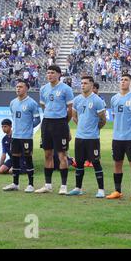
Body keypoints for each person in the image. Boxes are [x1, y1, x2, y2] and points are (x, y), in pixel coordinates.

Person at [35, 65, 74, 195]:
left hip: (60, 123)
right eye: (48, 73)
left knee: (62, 155)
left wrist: (64, 123)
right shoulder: (43, 89)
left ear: (58, 74)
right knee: (47, 154)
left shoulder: (66, 89)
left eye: (52, 73)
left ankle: (63, 186)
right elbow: (43, 104)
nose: (49, 75)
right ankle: (48, 185)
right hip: (46, 123)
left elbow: (70, 110)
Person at [106, 73, 131, 201]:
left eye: (126, 80)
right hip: (117, 137)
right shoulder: (114, 98)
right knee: (117, 163)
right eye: (121, 79)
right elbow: (115, 116)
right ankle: (117, 191)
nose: (123, 82)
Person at [68, 76, 107, 198]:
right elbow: (74, 116)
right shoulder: (77, 99)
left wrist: (95, 129)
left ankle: (101, 190)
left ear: (91, 85)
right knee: (79, 163)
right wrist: (81, 126)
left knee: (96, 162)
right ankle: (78, 188)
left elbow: (103, 119)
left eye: (85, 83)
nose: (83, 85)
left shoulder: (97, 100)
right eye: (82, 83)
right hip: (80, 137)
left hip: (92, 138)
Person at [3, 80, 40, 192]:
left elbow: (37, 119)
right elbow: (14, 117)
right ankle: (15, 183)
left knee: (28, 159)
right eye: (17, 87)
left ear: (26, 89)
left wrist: (28, 128)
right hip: (15, 136)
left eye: (20, 87)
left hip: (26, 137)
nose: (18, 89)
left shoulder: (32, 103)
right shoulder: (12, 103)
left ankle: (31, 184)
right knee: (15, 159)